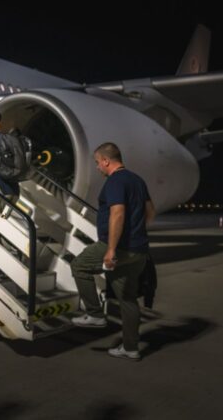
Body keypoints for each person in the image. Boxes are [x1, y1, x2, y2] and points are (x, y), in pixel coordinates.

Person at [70, 142, 155, 361]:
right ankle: (130, 348)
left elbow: (117, 213)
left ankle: (94, 314)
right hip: (139, 249)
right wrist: (136, 231)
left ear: (106, 160)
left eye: (98, 163)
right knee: (127, 298)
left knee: (79, 266)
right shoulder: (137, 180)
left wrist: (111, 249)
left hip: (119, 247)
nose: (98, 167)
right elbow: (150, 212)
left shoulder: (115, 181)